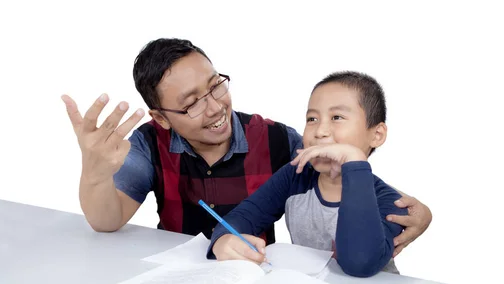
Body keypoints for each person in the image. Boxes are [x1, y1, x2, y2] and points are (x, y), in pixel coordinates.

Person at [61, 38, 431, 256]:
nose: (214, 107)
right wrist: (93, 170)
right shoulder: (147, 143)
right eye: (191, 103)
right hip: (173, 275)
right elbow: (105, 222)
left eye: (216, 85)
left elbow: (336, 171)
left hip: (254, 275)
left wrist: (413, 208)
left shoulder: (275, 139)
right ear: (162, 118)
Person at [210, 71, 405, 277]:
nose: (319, 131)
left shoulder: (391, 202)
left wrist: (354, 161)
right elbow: (244, 216)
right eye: (312, 118)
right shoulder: (295, 176)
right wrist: (223, 238)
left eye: (337, 117)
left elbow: (359, 264)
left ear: (376, 135)